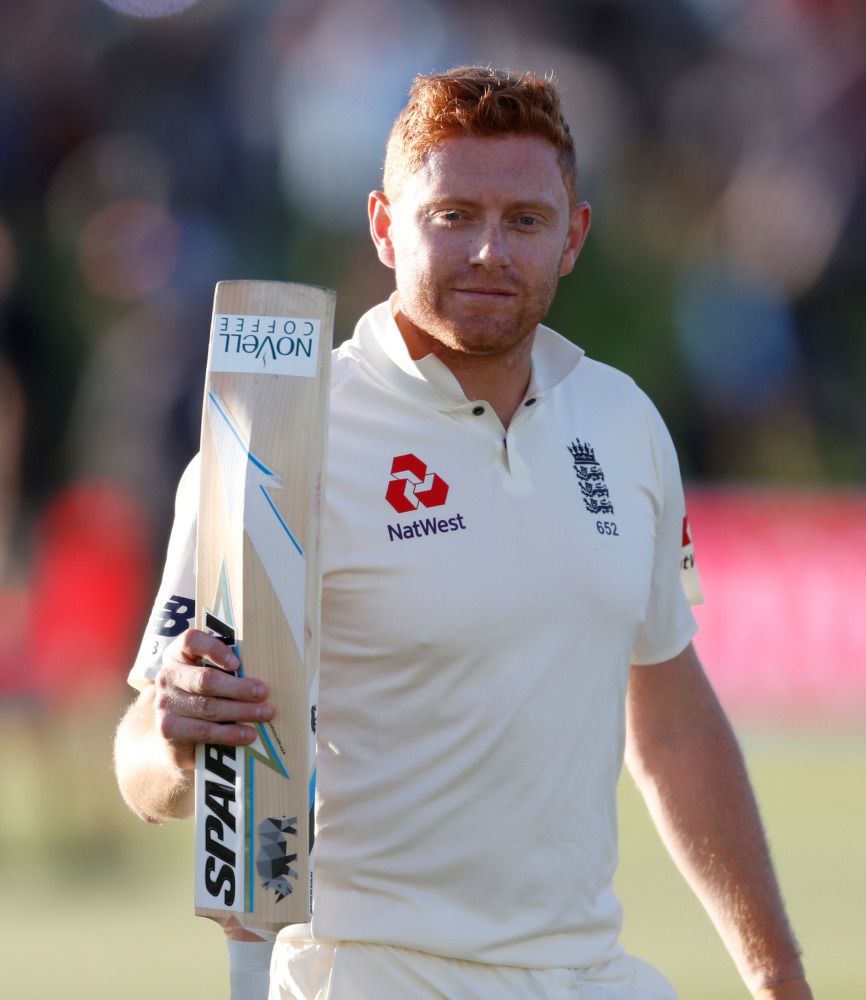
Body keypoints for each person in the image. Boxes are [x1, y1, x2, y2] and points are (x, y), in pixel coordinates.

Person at [114, 67, 813, 1000]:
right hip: (374, 972)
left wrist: (779, 977)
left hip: (588, 974)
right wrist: (176, 737)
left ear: (573, 237)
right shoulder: (278, 437)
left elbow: (675, 724)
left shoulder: (624, 421)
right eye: (453, 215)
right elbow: (144, 765)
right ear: (384, 225)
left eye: (525, 220)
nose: (490, 250)